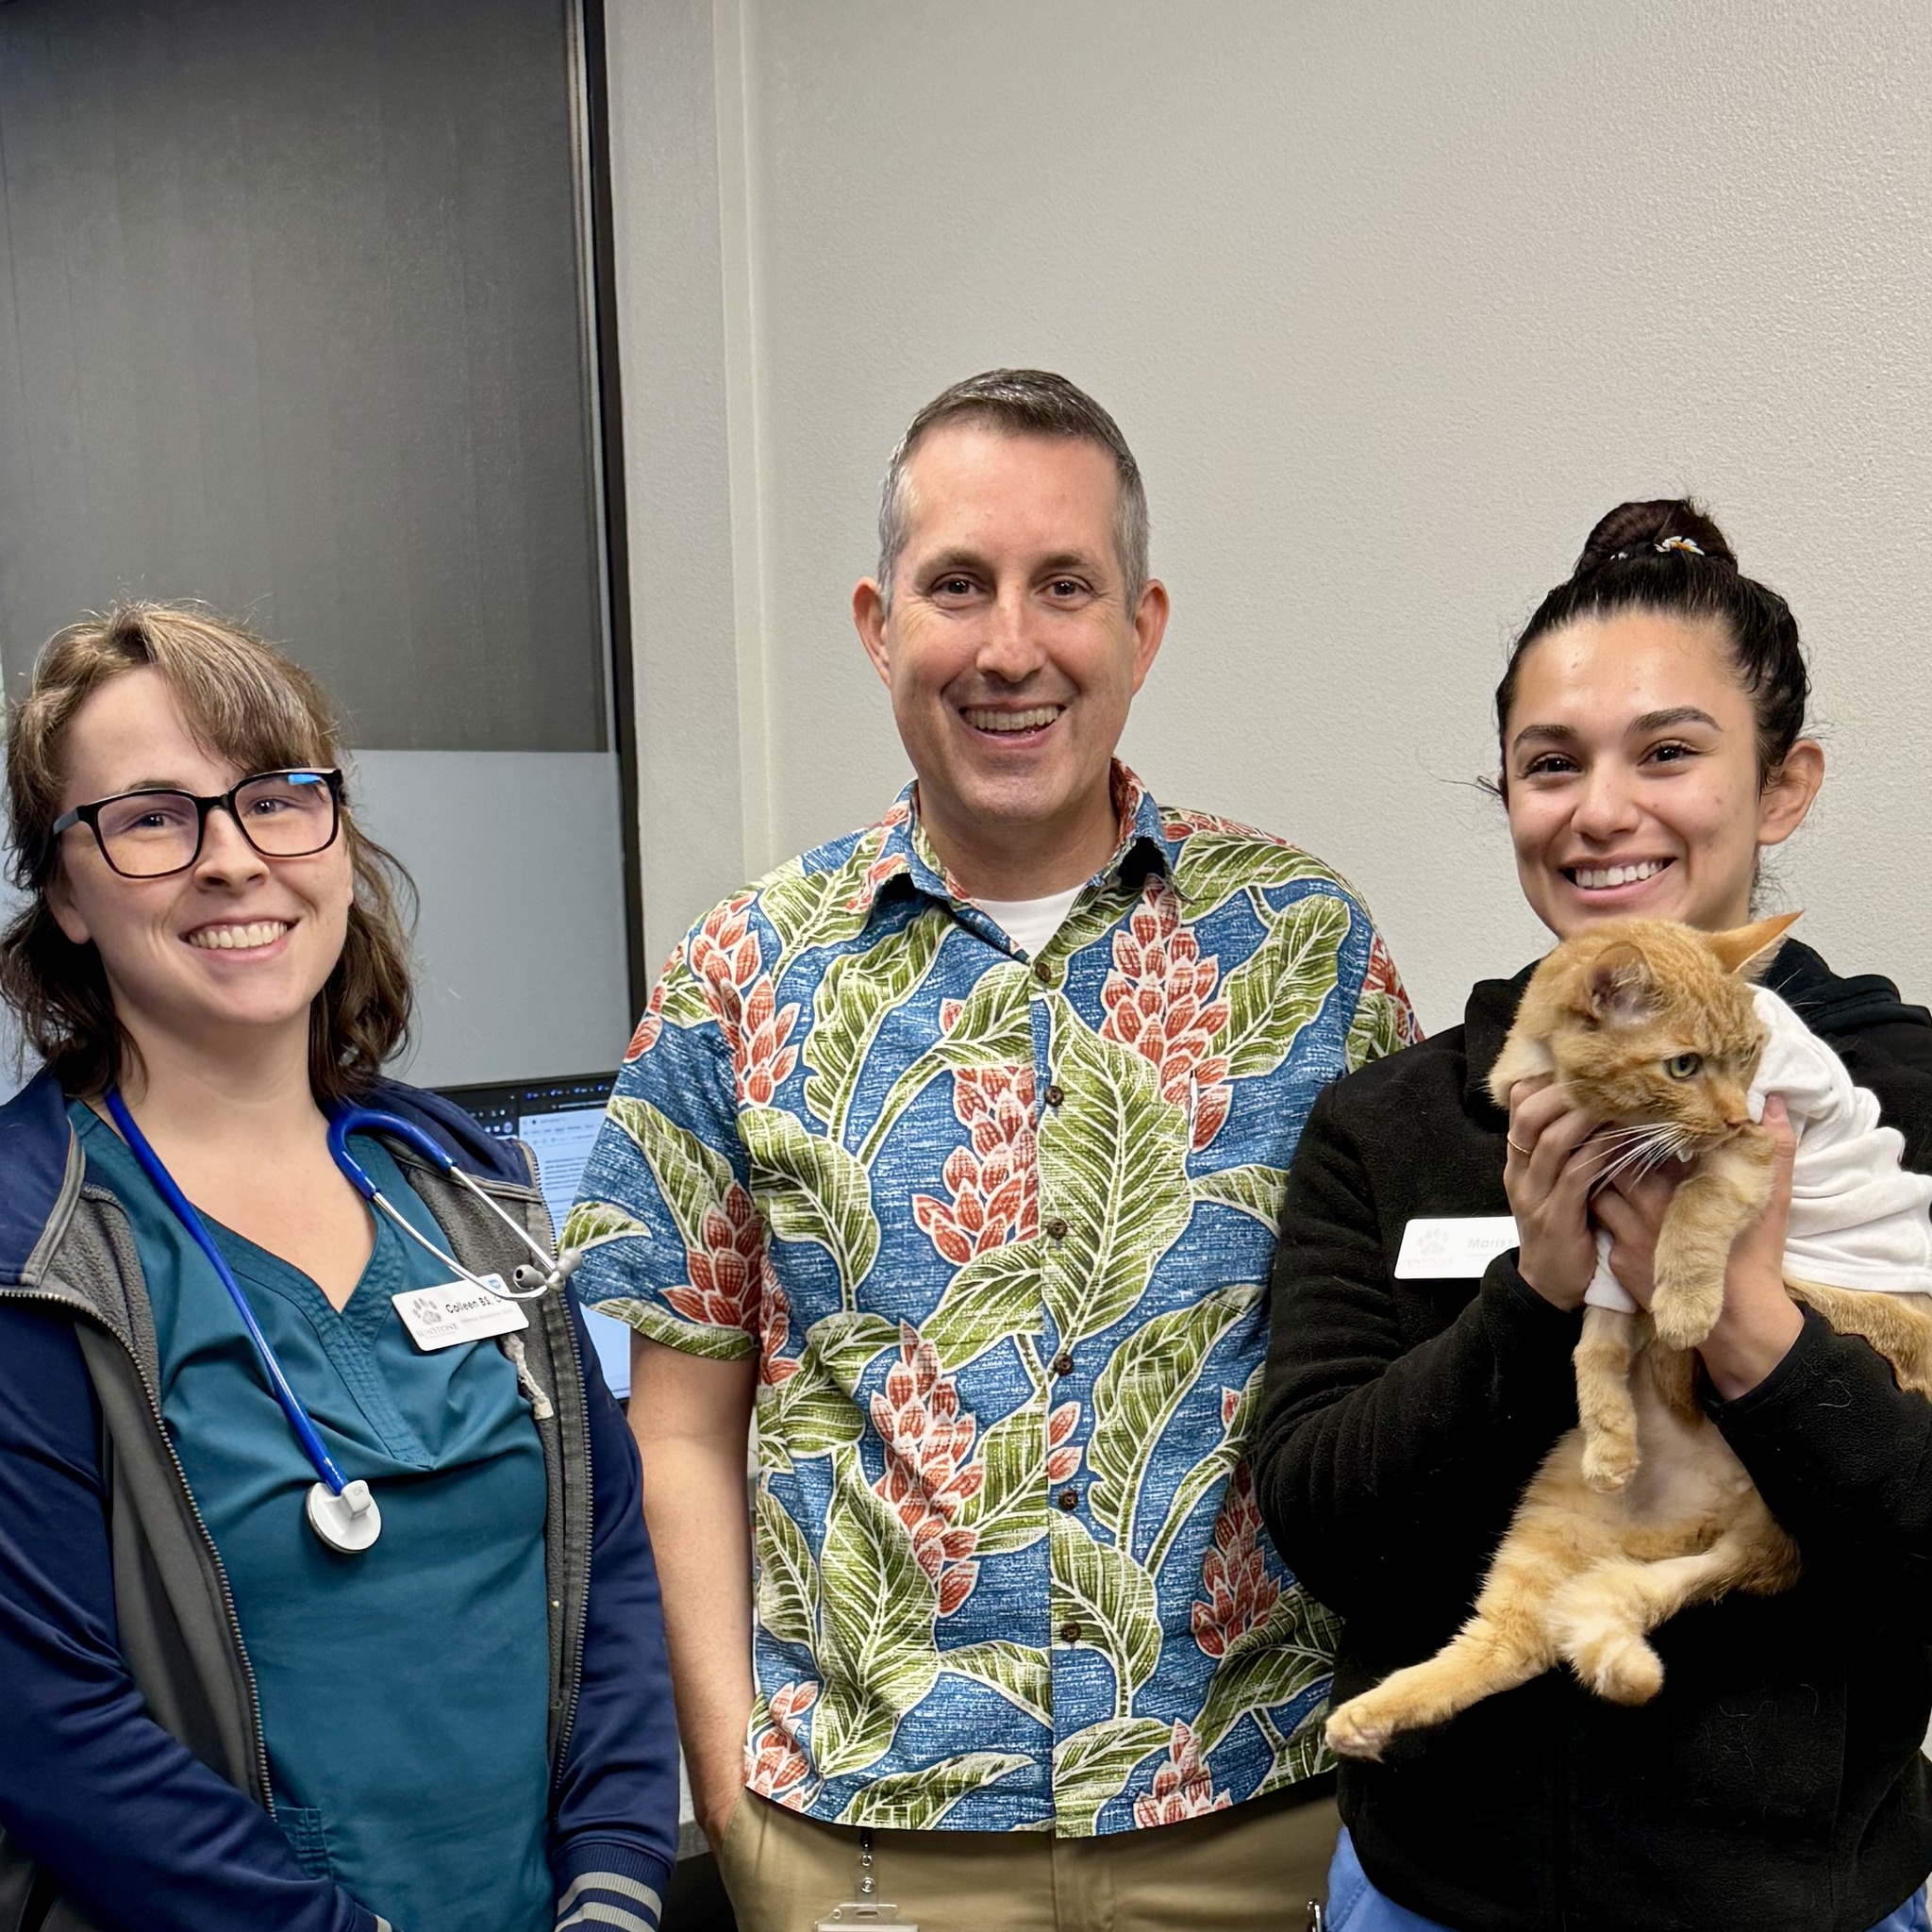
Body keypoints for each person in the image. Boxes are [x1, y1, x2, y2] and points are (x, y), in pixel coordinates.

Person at [567, 369, 1416, 1930]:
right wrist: (732, 1801)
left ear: (1142, 628)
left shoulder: (1309, 951)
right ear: (879, 624)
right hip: (867, 1844)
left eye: (1065, 587)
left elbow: (1391, 1381)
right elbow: (677, 1422)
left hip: (1255, 1815)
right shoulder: (741, 974)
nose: (1010, 647)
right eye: (957, 586)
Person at [1255, 500, 1932, 1932]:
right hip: (1433, 1899)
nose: (1603, 809)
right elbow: (1317, 1526)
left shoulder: (1901, 1098)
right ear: (1509, 799)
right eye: (1550, 765)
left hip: (1807, 1905)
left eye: (1670, 753)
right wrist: (1532, 1302)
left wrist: (1754, 1332)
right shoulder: (1394, 1125)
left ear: (1786, 784)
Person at [0, 605, 679, 1932]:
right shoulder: (34, 1248)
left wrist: (613, 1886)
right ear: (66, 894)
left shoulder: (460, 1187)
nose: (232, 860)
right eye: (151, 817)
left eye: (274, 799)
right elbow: (47, 1726)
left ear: (336, 838)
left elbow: (605, 1570)